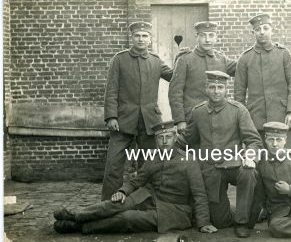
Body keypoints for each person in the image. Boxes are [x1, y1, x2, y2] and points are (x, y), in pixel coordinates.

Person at [53, 121, 217, 235]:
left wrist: (204, 223)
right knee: (116, 204)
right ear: (156, 140)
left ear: (175, 137)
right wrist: (123, 191)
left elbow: (199, 194)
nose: (165, 141)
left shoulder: (188, 160)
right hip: (150, 197)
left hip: (174, 210)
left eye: (168, 136)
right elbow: (137, 180)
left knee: (128, 218)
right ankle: (76, 215)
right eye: (160, 137)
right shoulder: (153, 158)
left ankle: (79, 227)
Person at [183, 70, 263, 238]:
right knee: (220, 221)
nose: (216, 91)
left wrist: (250, 156)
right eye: (212, 87)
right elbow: (189, 140)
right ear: (206, 89)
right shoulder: (198, 112)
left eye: (220, 87)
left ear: (226, 89)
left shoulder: (238, 110)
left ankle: (242, 222)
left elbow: (253, 140)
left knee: (248, 173)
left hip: (234, 165)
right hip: (211, 169)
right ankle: (249, 212)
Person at [102, 21, 173, 201]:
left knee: (147, 166)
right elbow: (111, 89)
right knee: (113, 165)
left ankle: (143, 202)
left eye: (145, 36)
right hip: (123, 121)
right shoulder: (119, 59)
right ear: (132, 38)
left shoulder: (156, 61)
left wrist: (184, 58)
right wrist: (111, 116)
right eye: (137, 36)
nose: (141, 39)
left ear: (150, 39)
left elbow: (176, 76)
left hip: (150, 122)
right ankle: (108, 205)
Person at [234, 13, 291, 148]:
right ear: (253, 32)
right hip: (256, 120)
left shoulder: (283, 53)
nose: (262, 32)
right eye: (258, 30)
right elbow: (239, 93)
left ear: (272, 30)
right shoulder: (245, 58)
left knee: (285, 159)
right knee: (260, 160)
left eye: (265, 28)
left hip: (282, 117)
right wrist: (243, 120)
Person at [169, 21, 236, 135]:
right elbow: (175, 92)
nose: (207, 40)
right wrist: (180, 120)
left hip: (219, 118)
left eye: (211, 35)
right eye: (203, 35)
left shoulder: (221, 59)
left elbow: (245, 67)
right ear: (196, 37)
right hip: (192, 119)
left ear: (216, 38)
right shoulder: (185, 59)